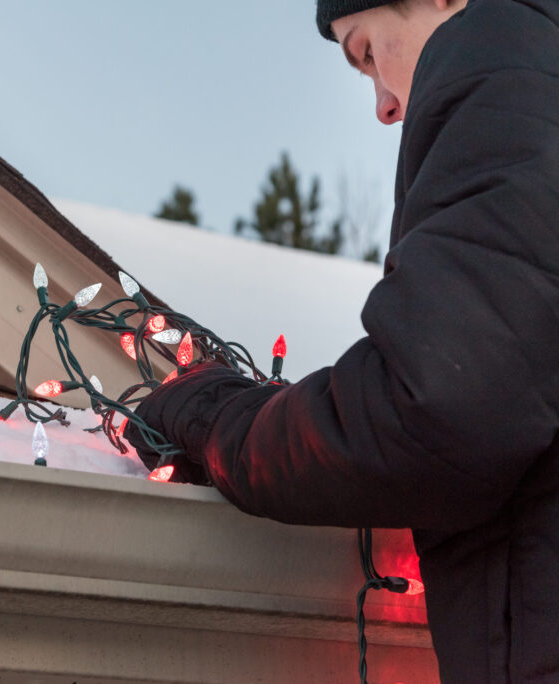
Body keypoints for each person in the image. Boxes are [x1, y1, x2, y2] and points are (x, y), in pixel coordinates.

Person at [125, 0, 559, 681]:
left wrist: (214, 414)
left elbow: (434, 410)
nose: (385, 106)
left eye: (365, 52)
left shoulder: (504, 67)